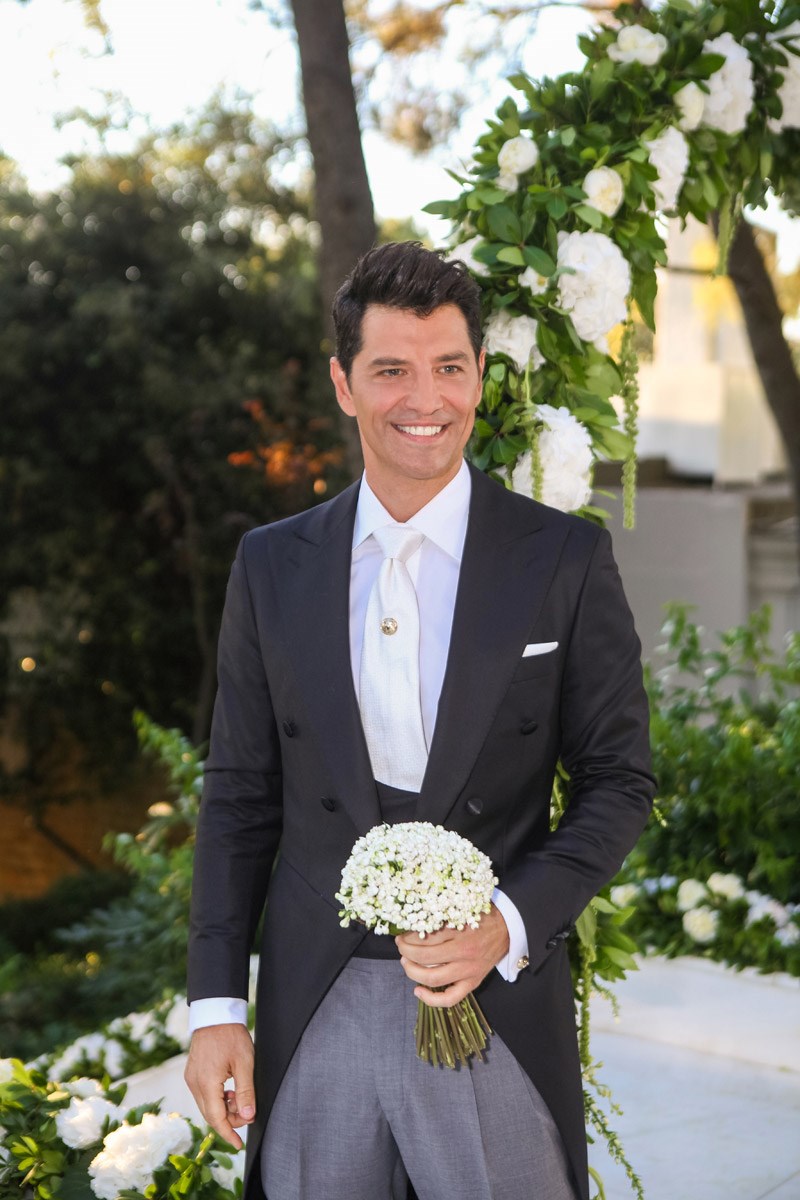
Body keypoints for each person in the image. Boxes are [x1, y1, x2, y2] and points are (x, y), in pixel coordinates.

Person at [184, 241, 655, 1200]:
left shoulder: (563, 558)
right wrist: (217, 1005)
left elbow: (619, 780)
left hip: (494, 1001)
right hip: (316, 999)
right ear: (344, 384)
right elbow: (239, 795)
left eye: (448, 367)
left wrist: (506, 925)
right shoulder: (272, 566)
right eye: (391, 370)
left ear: (479, 374)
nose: (425, 398)